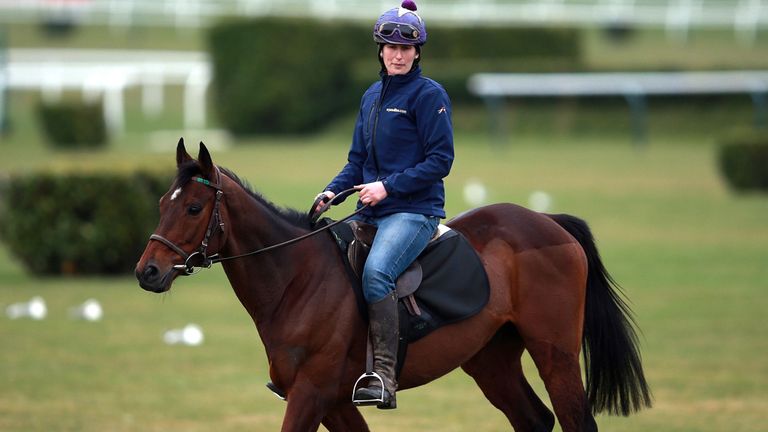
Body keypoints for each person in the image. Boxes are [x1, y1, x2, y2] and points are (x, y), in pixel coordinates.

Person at [314, 0, 454, 410]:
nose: (397, 55)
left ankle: (384, 377)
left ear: (417, 52)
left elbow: (441, 161)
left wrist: (387, 188)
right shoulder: (372, 96)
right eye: (390, 47)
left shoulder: (429, 95)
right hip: (373, 210)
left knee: (376, 274)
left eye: (406, 48)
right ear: (380, 50)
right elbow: (357, 161)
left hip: (415, 211)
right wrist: (332, 192)